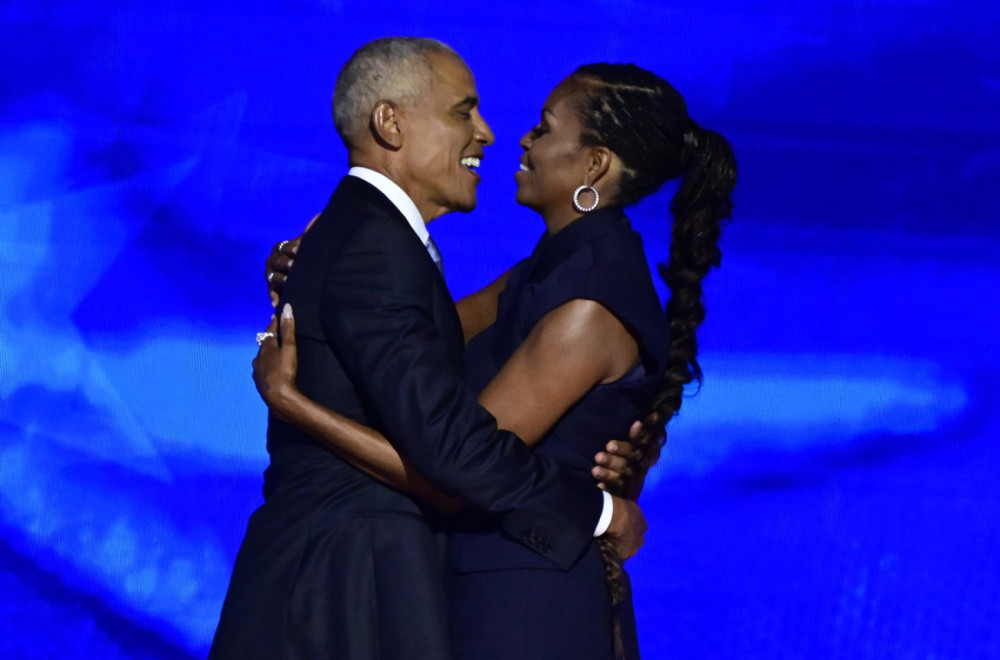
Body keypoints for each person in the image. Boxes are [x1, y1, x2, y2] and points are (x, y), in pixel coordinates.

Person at [257, 62, 736, 659]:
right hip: (483, 585)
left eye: (545, 128)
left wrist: (294, 405)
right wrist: (323, 274)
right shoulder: (547, 271)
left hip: (524, 606)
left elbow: (456, 469)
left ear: (594, 165)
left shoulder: (588, 306)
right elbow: (413, 334)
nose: (522, 140)